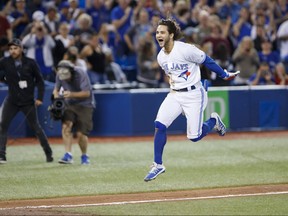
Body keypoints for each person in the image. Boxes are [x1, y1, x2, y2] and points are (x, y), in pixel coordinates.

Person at [143, 18, 239, 182]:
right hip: (175, 94)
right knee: (159, 125)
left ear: (171, 35)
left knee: (194, 136)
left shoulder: (186, 50)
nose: (158, 35)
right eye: (157, 32)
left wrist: (224, 74)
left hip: (194, 94)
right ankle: (158, 164)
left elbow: (206, 60)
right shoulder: (161, 57)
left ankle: (213, 120)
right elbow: (172, 76)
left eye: (162, 32)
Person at [0, 38, 53, 164]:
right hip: (12, 100)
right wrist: (4, 78)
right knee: (2, 126)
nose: (13, 51)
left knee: (36, 128)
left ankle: (48, 152)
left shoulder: (31, 63)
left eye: (15, 48)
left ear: (21, 49)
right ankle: (2, 155)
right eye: (11, 49)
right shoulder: (4, 62)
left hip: (28, 101)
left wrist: (40, 97)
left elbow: (40, 81)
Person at [53, 60, 95, 165]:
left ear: (71, 71)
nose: (64, 78)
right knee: (66, 126)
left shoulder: (81, 73)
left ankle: (84, 155)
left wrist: (71, 94)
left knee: (81, 134)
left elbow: (86, 93)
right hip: (69, 103)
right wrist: (57, 98)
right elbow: (56, 90)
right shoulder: (60, 74)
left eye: (66, 75)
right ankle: (68, 155)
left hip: (85, 104)